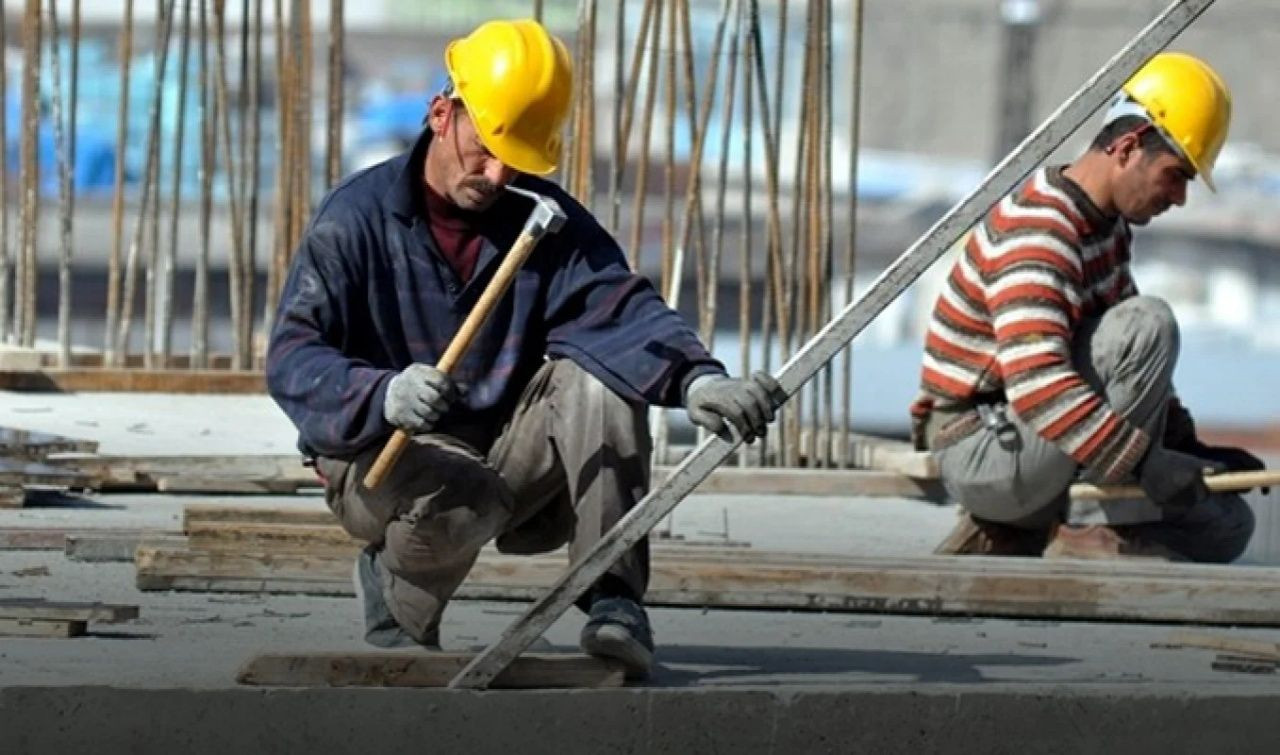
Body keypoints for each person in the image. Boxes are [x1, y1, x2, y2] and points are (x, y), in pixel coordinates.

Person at [265, 18, 779, 679]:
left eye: (518, 157)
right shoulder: (355, 220)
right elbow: (292, 356)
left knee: (600, 383)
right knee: (461, 492)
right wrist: (380, 392)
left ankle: (613, 595)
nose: (498, 170)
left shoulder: (541, 219)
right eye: (486, 147)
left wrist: (696, 381)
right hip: (382, 466)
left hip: (505, 459)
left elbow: (619, 311)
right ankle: (394, 582)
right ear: (442, 113)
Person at [909, 52, 1259, 562]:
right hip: (986, 450)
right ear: (1127, 146)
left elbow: (1135, 373)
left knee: (1227, 526)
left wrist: (1191, 448)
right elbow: (1037, 386)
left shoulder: (1106, 227)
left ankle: (1044, 532)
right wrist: (1147, 467)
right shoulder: (1041, 230)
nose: (1179, 197)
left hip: (1046, 450)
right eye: (1175, 174)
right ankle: (1084, 526)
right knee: (1147, 323)